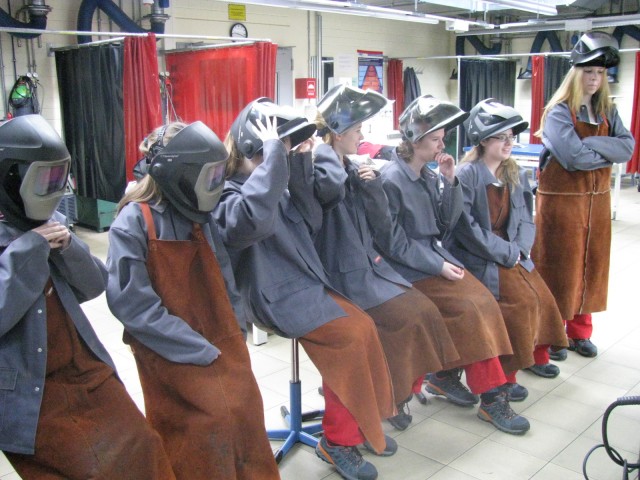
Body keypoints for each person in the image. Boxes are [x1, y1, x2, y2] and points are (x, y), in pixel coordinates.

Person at [214, 98, 396, 480]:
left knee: (366, 327)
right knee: (350, 340)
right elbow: (251, 221)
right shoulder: (227, 193)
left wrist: (298, 166)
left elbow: (310, 221)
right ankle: (338, 442)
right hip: (273, 297)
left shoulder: (273, 183)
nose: (282, 153)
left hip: (304, 285)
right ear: (255, 145)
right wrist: (276, 160)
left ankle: (360, 423)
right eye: (279, 146)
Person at [0, 114, 175, 479]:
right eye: (44, 180)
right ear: (12, 178)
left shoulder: (45, 226)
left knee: (144, 442)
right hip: (31, 391)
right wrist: (27, 250)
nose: (52, 191)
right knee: (92, 468)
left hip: (84, 372)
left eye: (58, 179)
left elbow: (95, 284)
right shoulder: (19, 238)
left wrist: (68, 247)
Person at [106, 121, 279, 480]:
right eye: (209, 175)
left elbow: (225, 278)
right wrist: (198, 349)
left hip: (218, 336)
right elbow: (134, 307)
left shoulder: (202, 215)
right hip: (166, 346)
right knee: (207, 423)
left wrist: (235, 332)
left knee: (246, 411)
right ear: (180, 174)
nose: (216, 184)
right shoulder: (134, 221)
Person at [372, 94, 533, 435]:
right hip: (408, 270)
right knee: (471, 310)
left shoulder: (428, 175)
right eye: (435, 139)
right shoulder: (391, 179)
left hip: (434, 261)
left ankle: (454, 379)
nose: (442, 145)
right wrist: (437, 266)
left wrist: (450, 181)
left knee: (483, 302)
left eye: (442, 138)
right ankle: (491, 397)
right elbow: (393, 244)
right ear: (415, 140)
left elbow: (446, 223)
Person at [312, 84, 460, 432]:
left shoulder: (351, 166)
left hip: (367, 268)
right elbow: (330, 193)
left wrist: (372, 187)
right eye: (357, 129)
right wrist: (329, 154)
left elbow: (380, 226)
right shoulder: (322, 166)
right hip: (341, 275)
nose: (362, 136)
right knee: (401, 321)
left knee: (421, 313)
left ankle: (395, 394)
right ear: (338, 132)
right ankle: (384, 399)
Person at [445, 99, 569, 414]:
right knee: (519, 302)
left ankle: (531, 357)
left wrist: (521, 248)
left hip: (512, 251)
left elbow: (527, 217)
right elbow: (466, 229)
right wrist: (506, 252)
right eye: (501, 137)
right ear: (483, 140)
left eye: (511, 137)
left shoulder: (515, 172)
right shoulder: (467, 174)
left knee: (542, 295)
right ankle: (505, 375)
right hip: (480, 255)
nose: (508, 143)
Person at [533, 31, 635, 359]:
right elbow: (573, 158)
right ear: (576, 73)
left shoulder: (607, 110)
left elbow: (628, 147)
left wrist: (589, 143)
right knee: (558, 270)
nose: (594, 78)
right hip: (562, 205)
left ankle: (579, 333)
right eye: (588, 71)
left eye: (600, 73)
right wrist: (607, 151)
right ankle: (549, 335)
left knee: (590, 268)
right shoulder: (559, 112)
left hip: (597, 204)